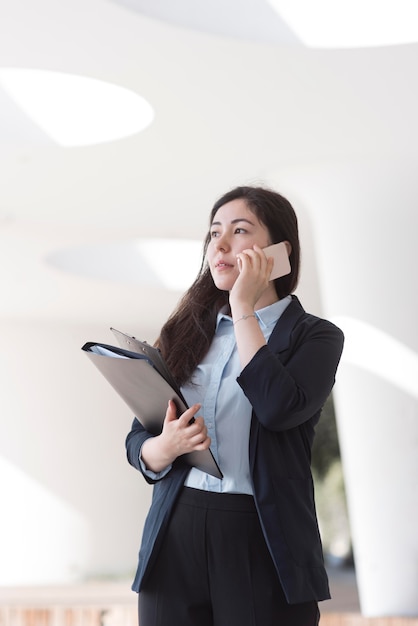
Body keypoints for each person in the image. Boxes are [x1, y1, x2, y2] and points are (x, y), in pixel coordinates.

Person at [126, 185, 344, 626]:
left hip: (261, 537)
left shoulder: (317, 337)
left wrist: (244, 305)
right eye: (213, 233)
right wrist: (162, 450)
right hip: (175, 531)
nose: (219, 245)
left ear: (281, 251)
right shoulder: (184, 332)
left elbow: (278, 409)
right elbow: (139, 438)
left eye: (239, 230)